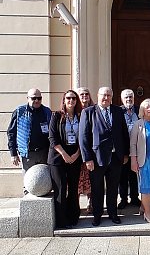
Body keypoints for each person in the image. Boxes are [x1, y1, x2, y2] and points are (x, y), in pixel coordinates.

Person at [79, 87, 130, 227]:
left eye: (108, 95)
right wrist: (87, 158)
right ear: (98, 95)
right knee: (97, 188)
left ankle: (113, 213)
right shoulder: (88, 112)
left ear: (112, 97)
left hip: (116, 157)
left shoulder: (118, 111)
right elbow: (83, 137)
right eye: (103, 95)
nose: (106, 98)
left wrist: (125, 153)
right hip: (96, 158)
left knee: (113, 187)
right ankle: (97, 215)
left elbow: (124, 133)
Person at [48, 90, 82, 228]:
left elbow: (85, 137)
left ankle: (73, 217)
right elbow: (52, 138)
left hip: (75, 156)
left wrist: (77, 154)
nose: (71, 100)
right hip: (58, 157)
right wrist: (64, 154)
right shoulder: (56, 116)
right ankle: (61, 221)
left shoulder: (80, 116)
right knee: (61, 189)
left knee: (74, 189)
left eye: (74, 98)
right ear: (64, 100)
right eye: (68, 98)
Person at [7, 88, 51, 194]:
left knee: (45, 181)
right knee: (29, 182)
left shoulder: (47, 111)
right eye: (33, 98)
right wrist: (13, 153)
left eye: (39, 98)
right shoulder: (19, 112)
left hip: (44, 152)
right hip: (27, 153)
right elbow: (11, 133)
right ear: (28, 98)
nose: (36, 100)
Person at [130, 98, 150, 224]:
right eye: (147, 107)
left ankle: (144, 207)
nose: (149, 109)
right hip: (143, 160)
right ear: (142, 109)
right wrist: (133, 160)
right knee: (145, 187)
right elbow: (133, 144)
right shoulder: (138, 124)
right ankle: (147, 214)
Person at [118, 89, 141, 209]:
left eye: (130, 97)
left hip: (137, 148)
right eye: (126, 97)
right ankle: (123, 198)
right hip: (123, 148)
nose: (128, 99)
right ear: (122, 99)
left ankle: (134, 197)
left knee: (134, 174)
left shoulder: (138, 110)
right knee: (122, 176)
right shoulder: (118, 111)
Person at [77, 87, 94, 213]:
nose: (84, 96)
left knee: (91, 178)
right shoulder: (73, 111)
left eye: (86, 94)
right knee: (76, 179)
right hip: (75, 152)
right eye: (81, 94)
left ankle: (91, 203)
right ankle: (75, 204)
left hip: (91, 151)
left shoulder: (93, 110)